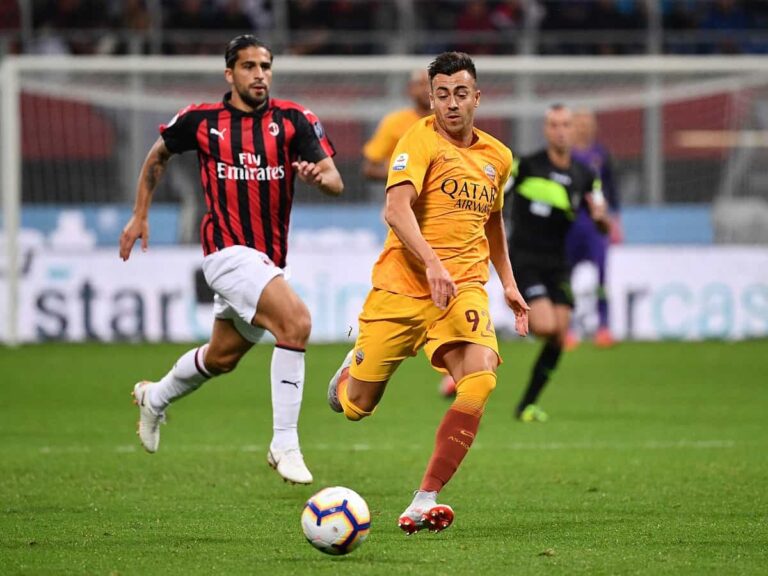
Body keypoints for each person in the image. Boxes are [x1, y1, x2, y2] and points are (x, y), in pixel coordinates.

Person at [119, 34, 344, 485]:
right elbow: (158, 155)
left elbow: (335, 180)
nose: (259, 75)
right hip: (224, 252)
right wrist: (140, 214)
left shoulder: (295, 120)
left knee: (221, 358)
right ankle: (284, 444)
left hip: (267, 260)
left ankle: (154, 397)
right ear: (230, 73)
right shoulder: (201, 120)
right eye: (249, 66)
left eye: (266, 66)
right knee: (296, 323)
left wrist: (318, 179)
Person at [326, 52, 530, 535]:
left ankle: (424, 499)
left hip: (462, 288)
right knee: (356, 407)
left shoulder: (498, 157)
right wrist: (433, 264)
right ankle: (350, 372)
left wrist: (508, 282)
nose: (451, 104)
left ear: (477, 97)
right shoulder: (417, 139)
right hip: (404, 285)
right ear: (432, 98)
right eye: (442, 95)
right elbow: (396, 210)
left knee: (479, 379)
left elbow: (494, 220)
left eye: (460, 94)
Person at [508, 104, 608, 423]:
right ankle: (514, 307)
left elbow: (603, 222)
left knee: (560, 335)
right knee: (545, 326)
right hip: (524, 257)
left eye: (566, 125)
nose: (561, 131)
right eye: (554, 125)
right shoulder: (526, 166)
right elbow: (494, 199)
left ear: (574, 130)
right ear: (546, 129)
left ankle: (527, 405)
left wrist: (601, 219)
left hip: (558, 261)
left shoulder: (586, 175)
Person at [565, 108, 622, 349]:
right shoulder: (564, 155)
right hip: (569, 223)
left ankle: (604, 327)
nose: (584, 127)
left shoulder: (601, 155)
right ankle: (567, 329)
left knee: (601, 275)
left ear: (594, 127)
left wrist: (615, 220)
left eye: (588, 123)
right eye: (579, 123)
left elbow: (611, 189)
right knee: (566, 276)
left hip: (595, 224)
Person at [361, 68, 431, 181]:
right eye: (421, 84)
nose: (427, 89)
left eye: (431, 84)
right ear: (410, 89)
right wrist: (403, 176)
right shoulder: (394, 122)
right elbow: (369, 168)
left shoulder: (450, 121)